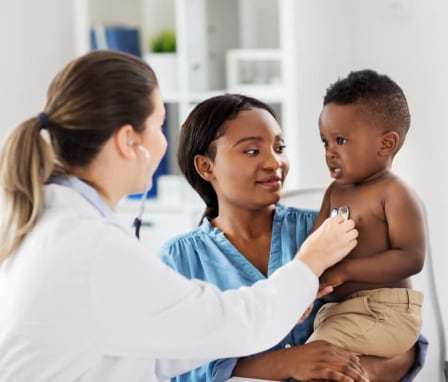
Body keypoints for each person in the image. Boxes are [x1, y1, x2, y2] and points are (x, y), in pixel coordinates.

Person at [0, 51, 360, 382]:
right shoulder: (91, 246)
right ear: (129, 141)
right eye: (159, 126)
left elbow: (158, 350)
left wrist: (283, 304)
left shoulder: (58, 229)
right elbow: (232, 322)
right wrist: (308, 264)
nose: (163, 142)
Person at [158, 93, 427, 382]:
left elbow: (398, 329)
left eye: (279, 147)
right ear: (206, 167)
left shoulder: (333, 231)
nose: (275, 162)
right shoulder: (179, 260)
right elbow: (174, 368)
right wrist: (286, 364)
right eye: (252, 151)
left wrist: (348, 373)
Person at [306, 69, 426, 359]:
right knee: (314, 357)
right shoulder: (335, 192)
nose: (330, 151)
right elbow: (314, 247)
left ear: (386, 144)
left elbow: (411, 258)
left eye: (341, 141)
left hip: (386, 312)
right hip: (339, 312)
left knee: (313, 357)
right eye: (325, 141)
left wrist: (346, 271)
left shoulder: (394, 193)